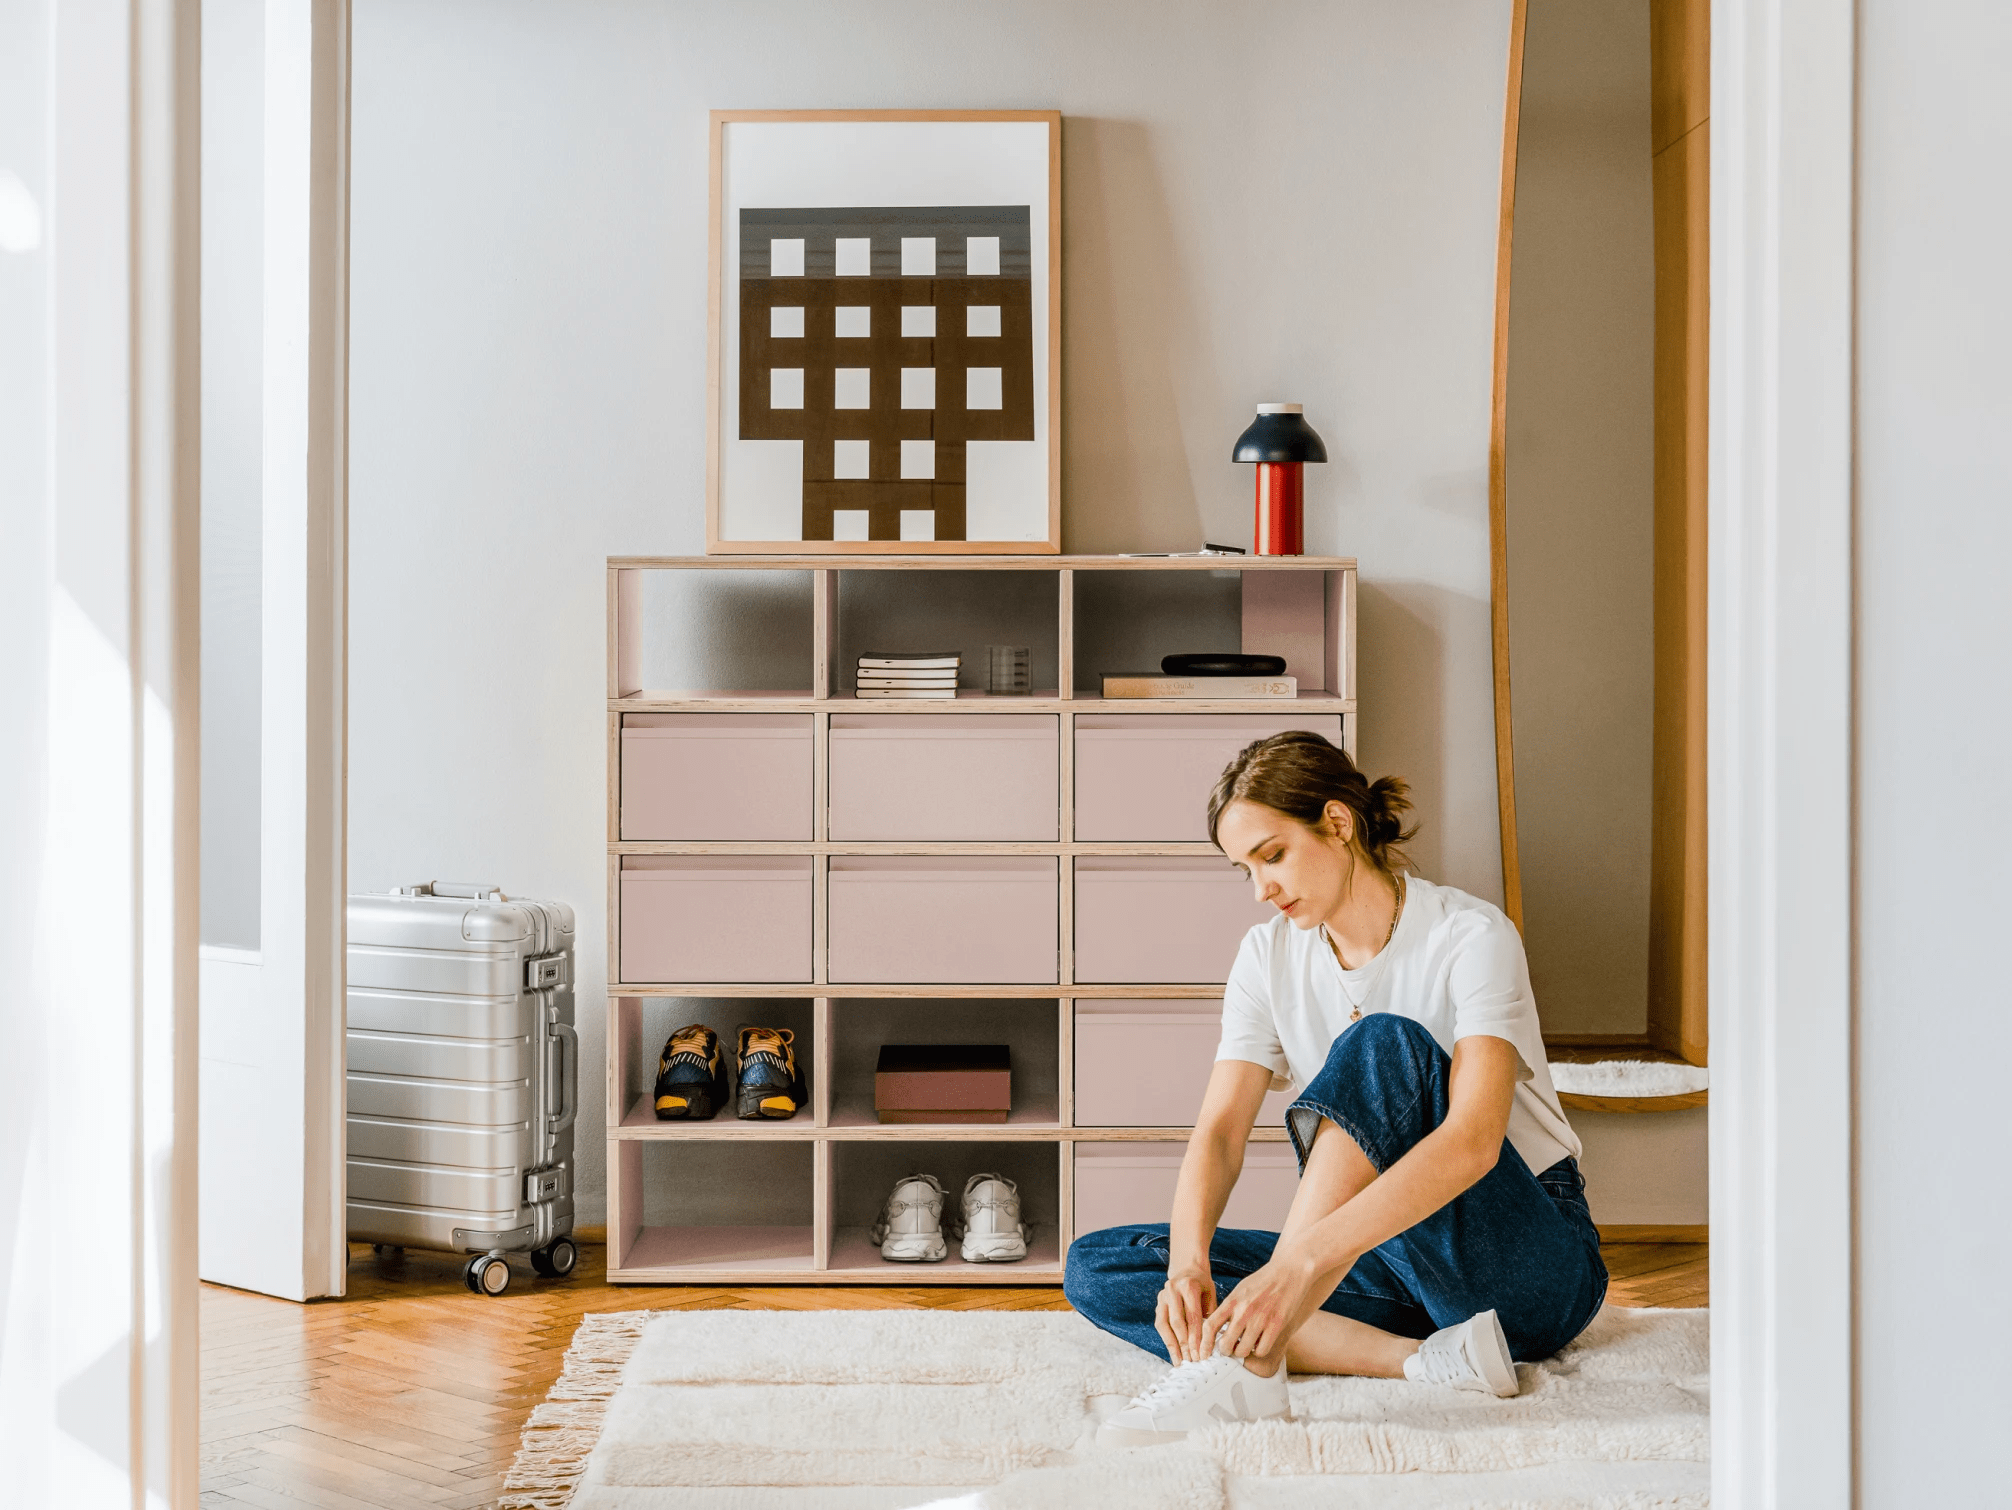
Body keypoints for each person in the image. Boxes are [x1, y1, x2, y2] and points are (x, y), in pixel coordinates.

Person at [1064, 731, 1607, 1448]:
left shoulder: (1470, 936)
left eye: (1272, 855)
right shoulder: (1267, 955)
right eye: (1244, 871)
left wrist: (1297, 1266)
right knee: (1107, 1265)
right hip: (1389, 1262)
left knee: (1384, 1042)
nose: (1261, 889)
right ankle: (1420, 1361)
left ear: (1338, 824)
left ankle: (1250, 1365)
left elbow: (1473, 1143)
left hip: (1523, 1262)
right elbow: (1222, 1131)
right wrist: (1190, 1264)